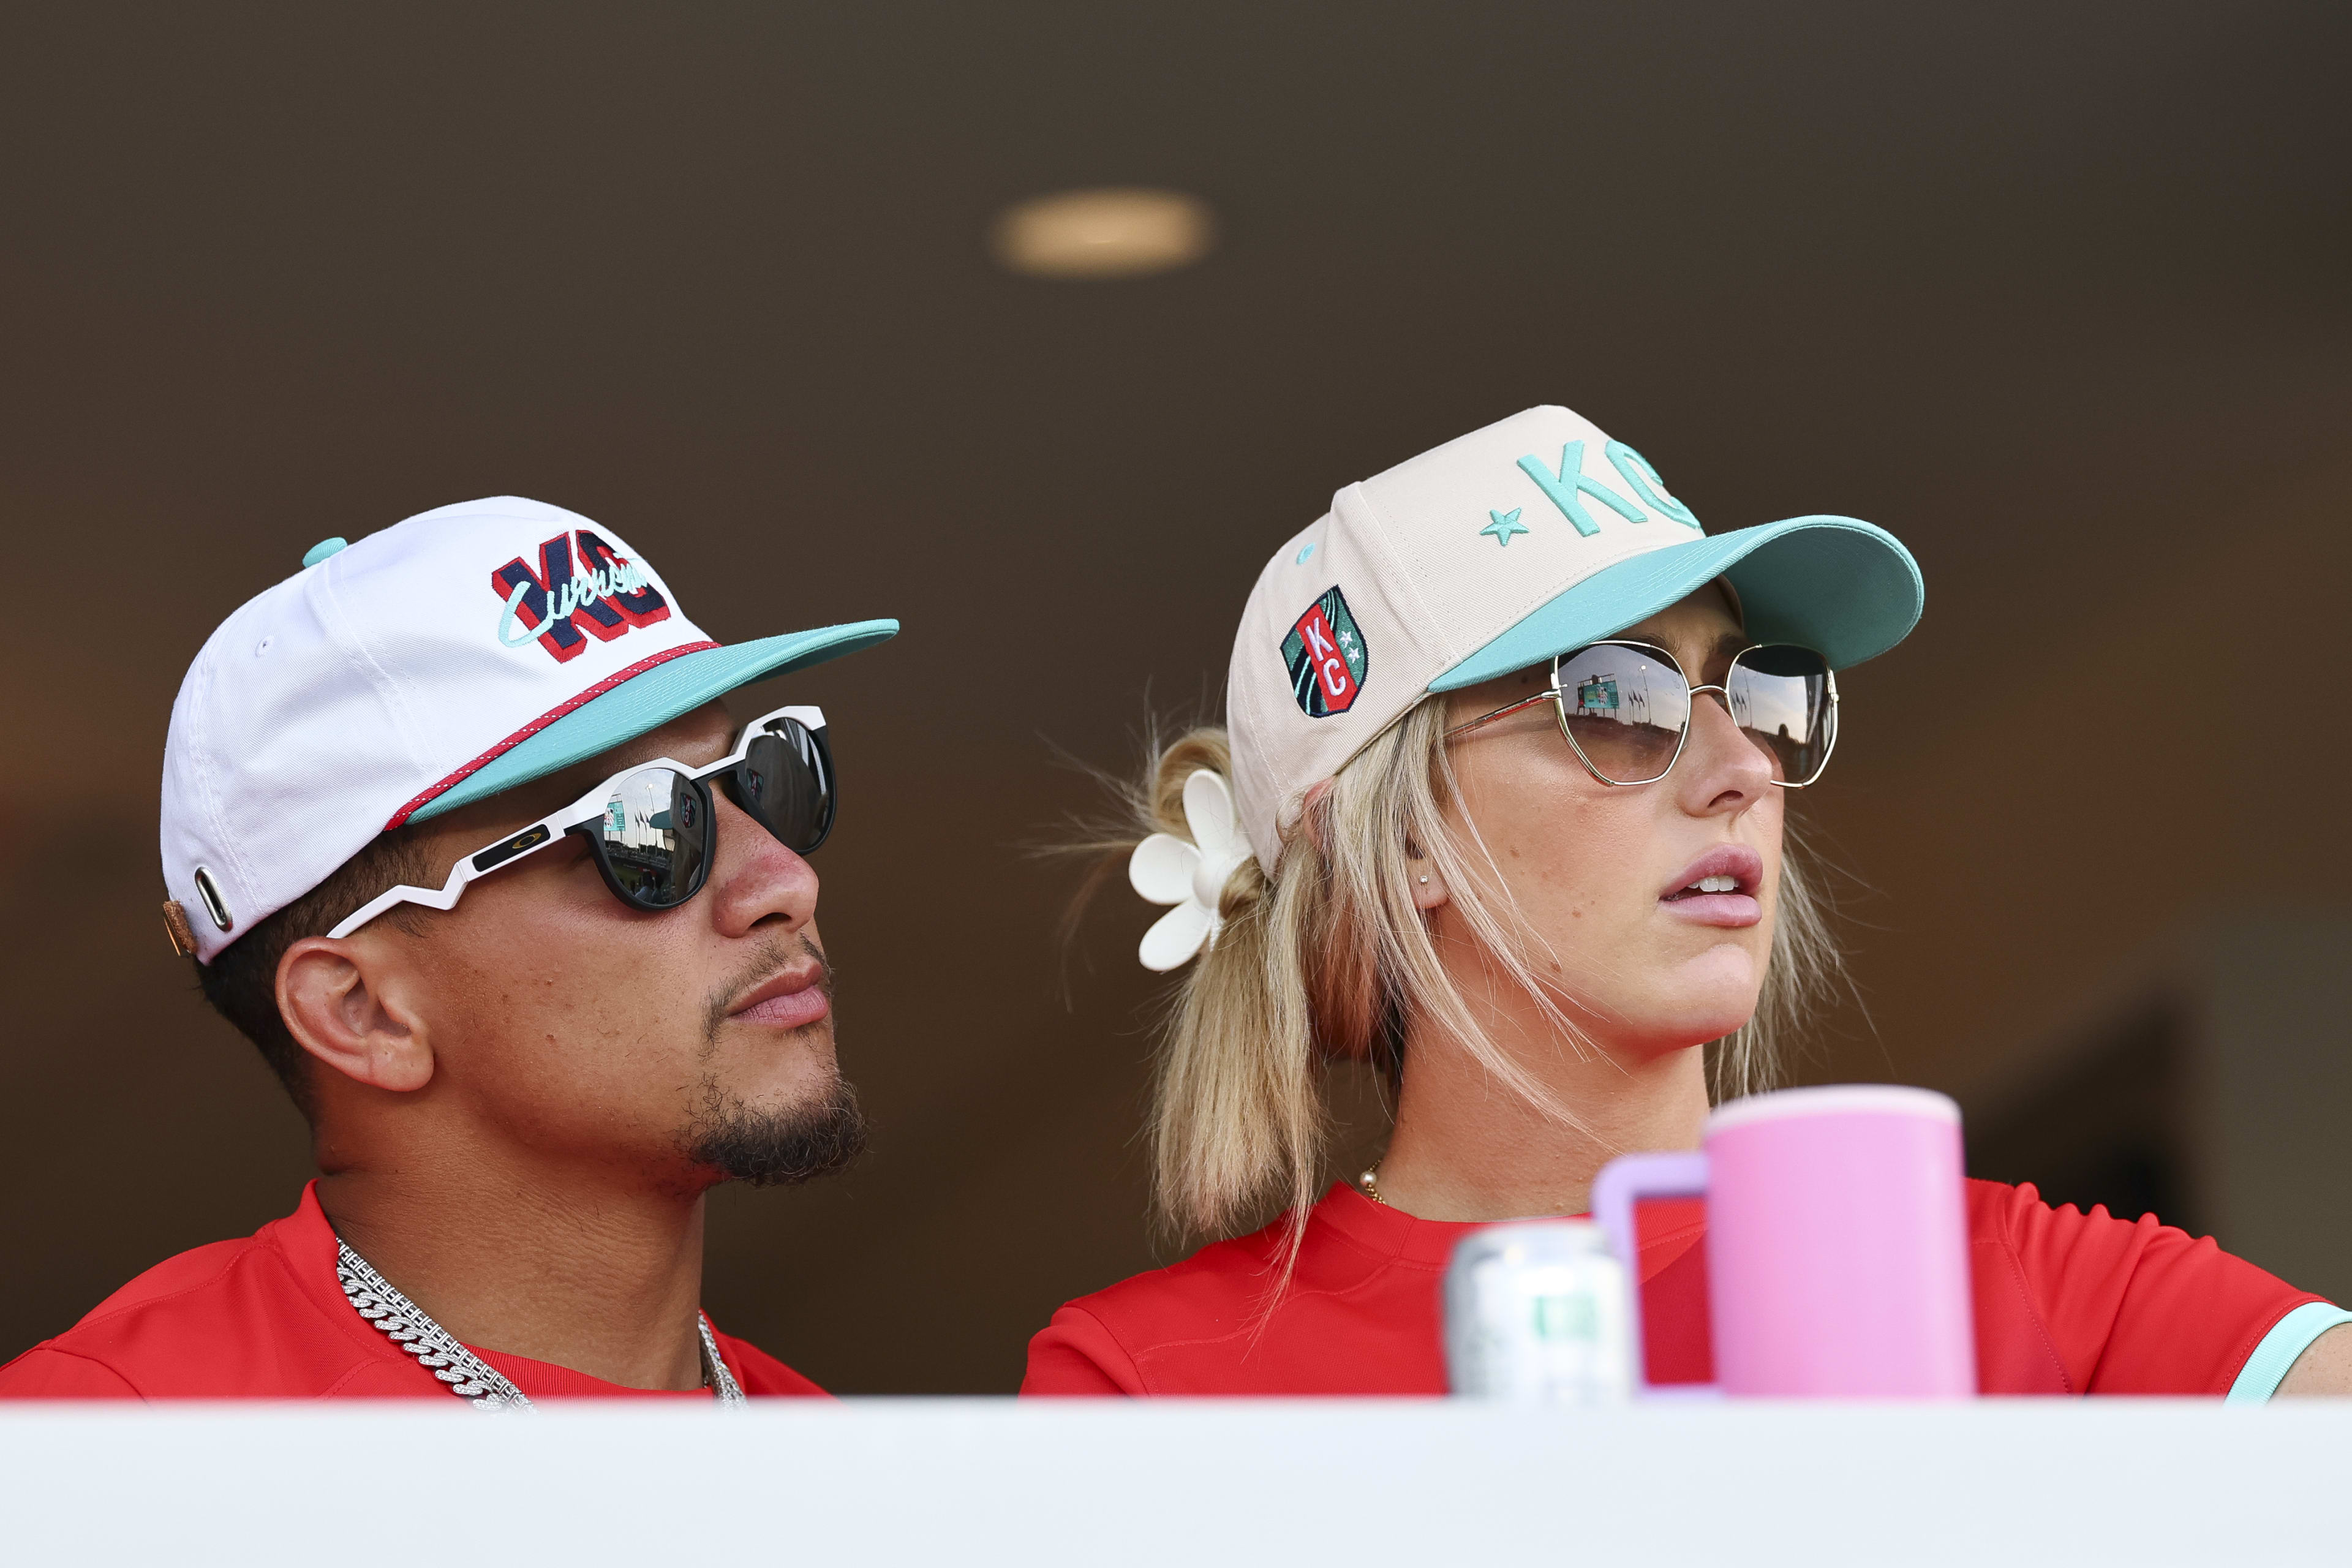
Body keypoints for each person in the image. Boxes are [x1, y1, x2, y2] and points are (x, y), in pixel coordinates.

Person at [1022, 405, 2352, 1399]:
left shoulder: (1998, 1271)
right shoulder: (1142, 1382)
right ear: (1400, 841)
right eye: (1616, 696)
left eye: (1753, 688)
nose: (1743, 768)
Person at [0, 497, 895, 1402]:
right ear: (364, 1012)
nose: (784, 881)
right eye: (648, 827)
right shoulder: (106, 1453)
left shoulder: (860, 1482)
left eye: (764, 777)